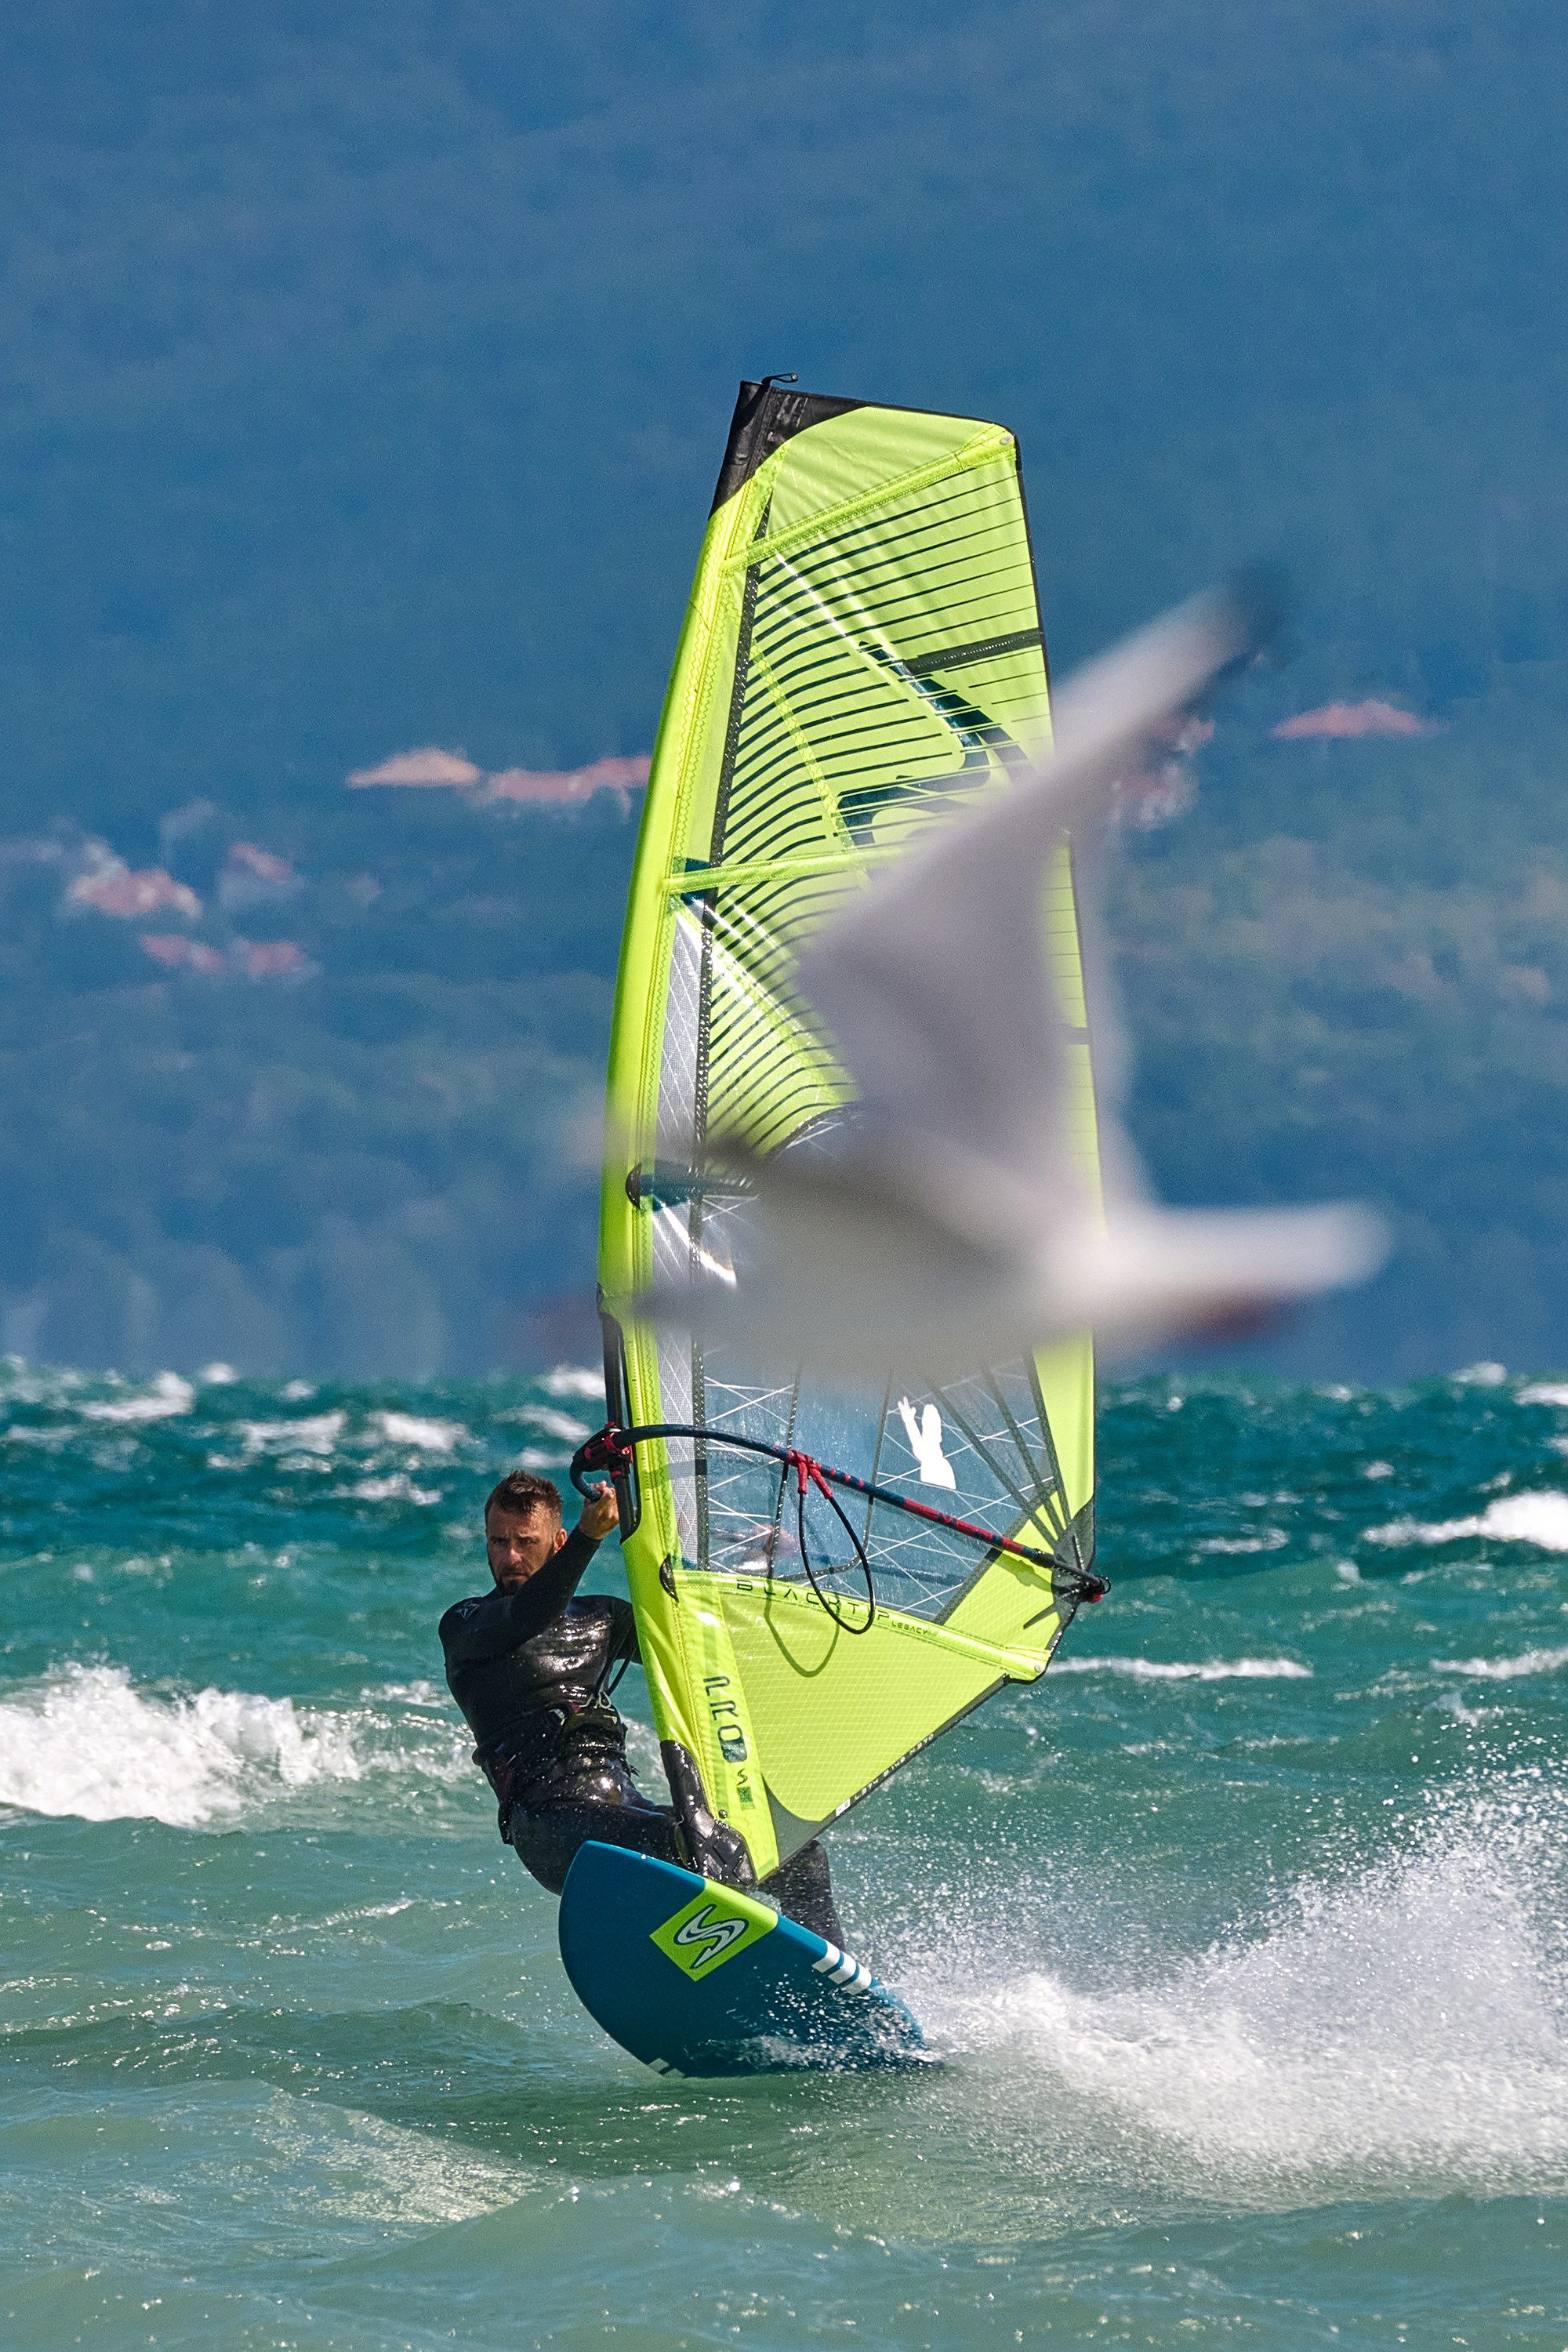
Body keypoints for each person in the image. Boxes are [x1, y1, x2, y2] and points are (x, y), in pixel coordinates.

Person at [440, 1468, 844, 1942]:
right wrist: (591, 1539)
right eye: (497, 1541)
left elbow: (695, 1639)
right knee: (693, 1848)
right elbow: (528, 1614)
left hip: (623, 1808)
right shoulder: (468, 1625)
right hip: (551, 1823)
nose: (509, 1556)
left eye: (525, 1542)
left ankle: (827, 1981)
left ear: (556, 1541)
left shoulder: (599, 1619)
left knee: (798, 1858)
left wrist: (757, 1566)